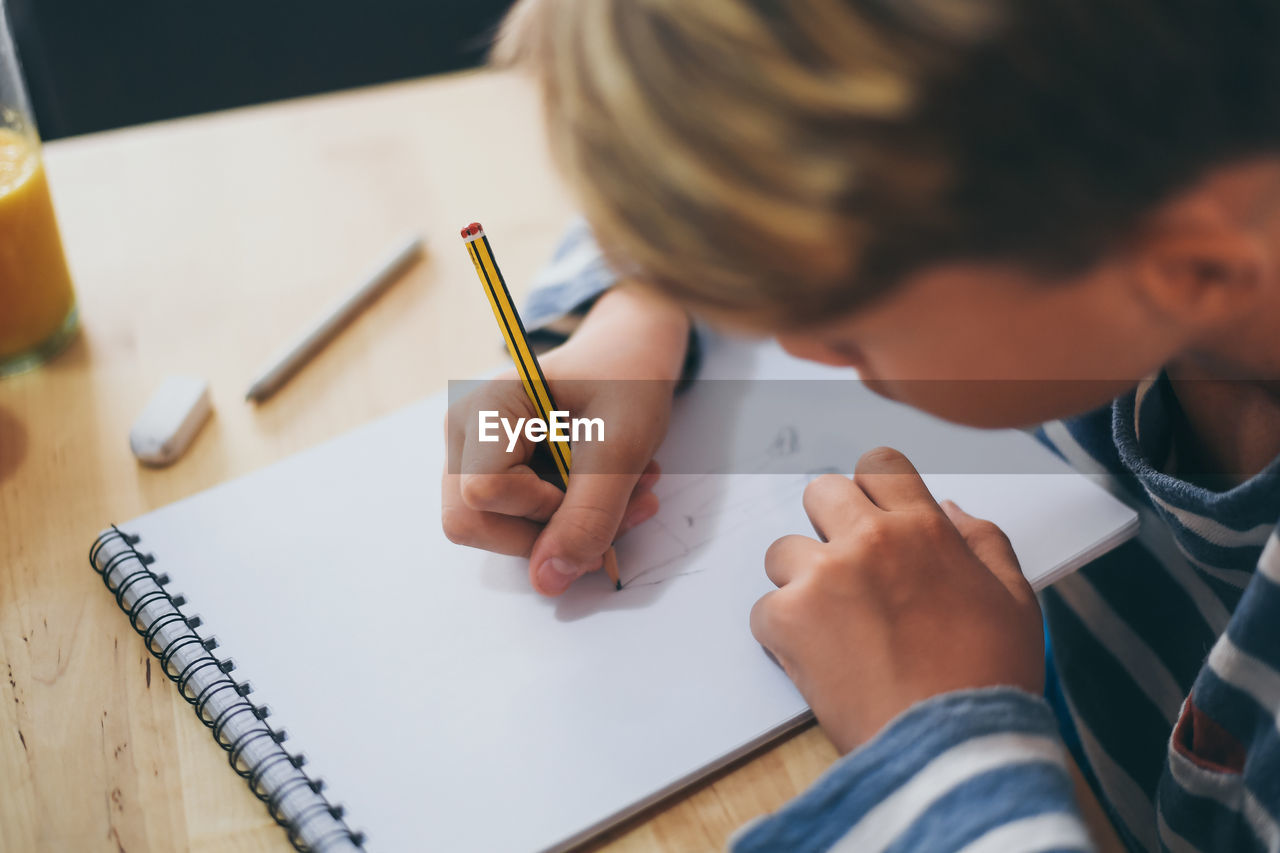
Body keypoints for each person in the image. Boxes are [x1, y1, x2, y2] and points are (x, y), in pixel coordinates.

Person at [443, 1, 1280, 849]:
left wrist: (940, 738)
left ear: (1190, 270)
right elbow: (757, 140)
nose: (792, 341)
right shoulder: (1106, 194)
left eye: (842, 322)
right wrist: (639, 312)